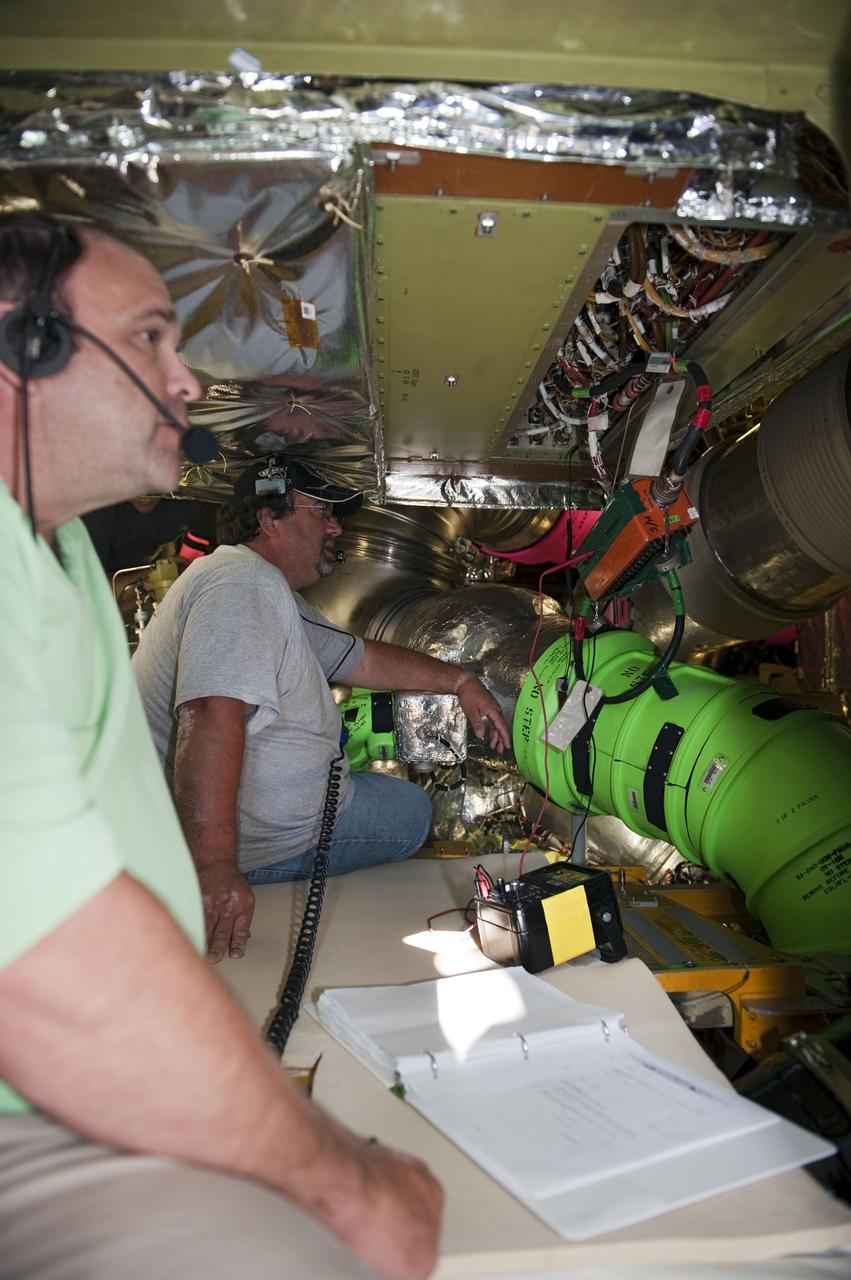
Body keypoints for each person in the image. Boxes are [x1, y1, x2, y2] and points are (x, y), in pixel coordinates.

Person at [0, 211, 442, 1280]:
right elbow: (47, 960)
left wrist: (462, 677)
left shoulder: (52, 550)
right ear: (26, 346)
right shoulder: (235, 582)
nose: (187, 382)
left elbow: (350, 656)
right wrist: (340, 1180)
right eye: (149, 337)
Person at [133, 456, 511, 963]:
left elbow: (362, 658)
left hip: (250, 826)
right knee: (412, 812)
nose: (336, 528)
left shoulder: (259, 588)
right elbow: (208, 715)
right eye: (322, 513)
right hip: (265, 842)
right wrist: (215, 866)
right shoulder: (239, 587)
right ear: (269, 519)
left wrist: (460, 680)